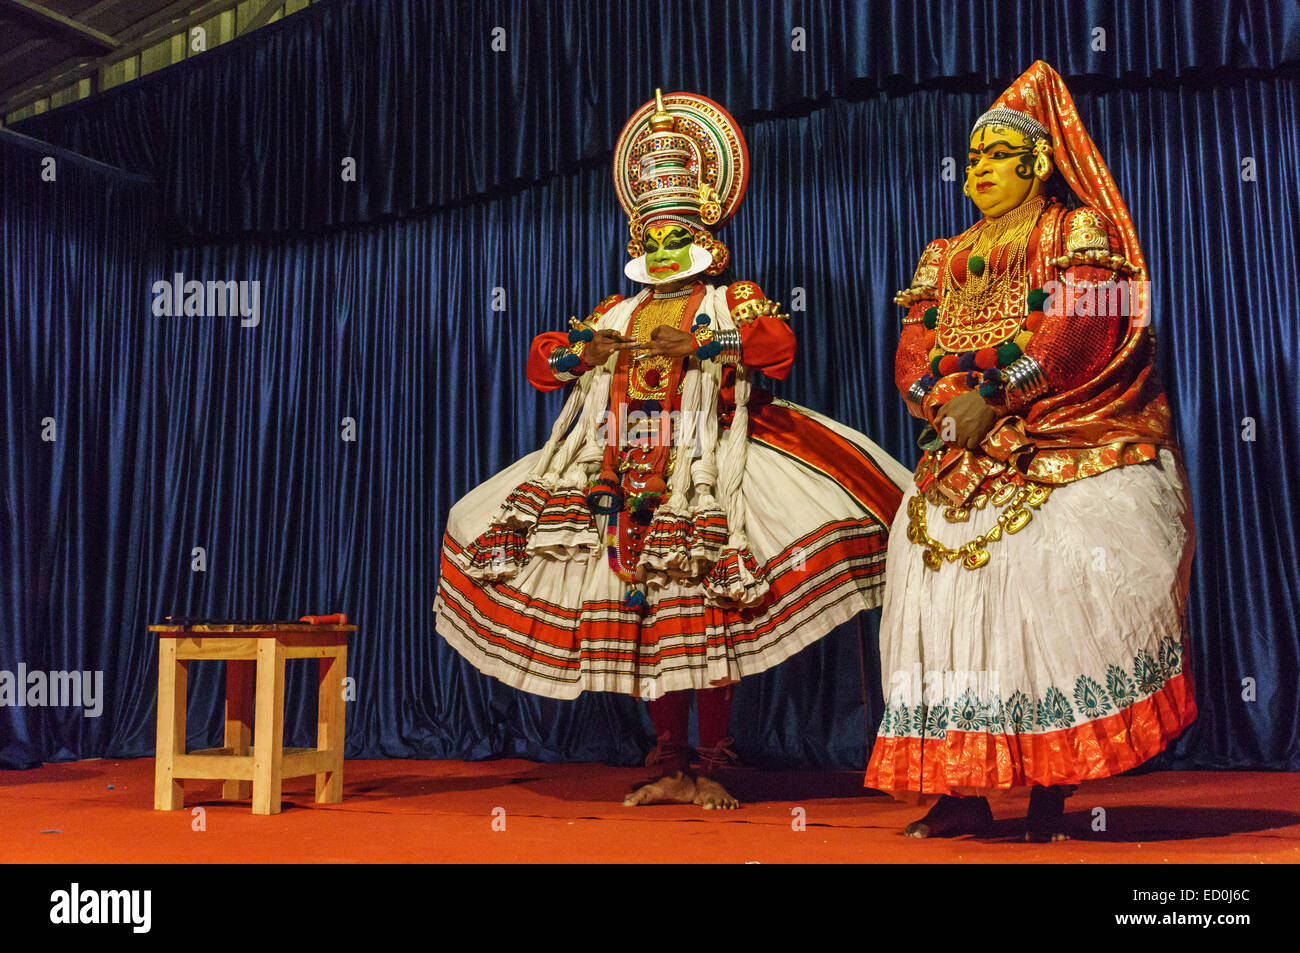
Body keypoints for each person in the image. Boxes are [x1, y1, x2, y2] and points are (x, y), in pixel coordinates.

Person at [435, 90, 911, 809]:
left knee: (703, 604)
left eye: (675, 234)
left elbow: (778, 348)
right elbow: (543, 365)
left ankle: (710, 762)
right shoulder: (615, 310)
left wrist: (705, 342)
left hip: (708, 466)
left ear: (704, 234)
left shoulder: (732, 297)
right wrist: (581, 351)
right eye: (651, 236)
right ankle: (667, 757)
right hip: (617, 468)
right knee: (647, 610)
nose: (662, 248)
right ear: (637, 240)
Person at [865, 61, 1196, 842]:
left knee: (1049, 603)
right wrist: (946, 405)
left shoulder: (1073, 231)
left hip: (1058, 434)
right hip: (959, 452)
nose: (977, 167)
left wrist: (1004, 397)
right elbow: (916, 350)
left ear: (1038, 163)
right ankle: (960, 790)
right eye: (972, 157)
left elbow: (1082, 325)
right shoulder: (944, 254)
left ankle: (1051, 786)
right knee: (937, 612)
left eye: (995, 155)